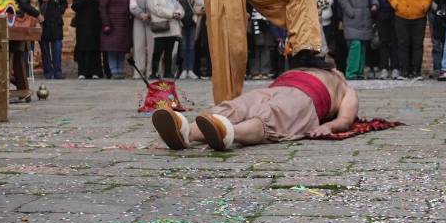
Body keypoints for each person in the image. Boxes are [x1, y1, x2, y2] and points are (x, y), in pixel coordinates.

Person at [152, 67, 358, 150]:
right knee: (235, 107)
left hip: (307, 98)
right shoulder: (310, 68)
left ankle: (229, 133)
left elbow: (346, 119)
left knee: (272, 116)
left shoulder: (344, 87)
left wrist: (330, 126)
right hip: (274, 88)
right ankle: (186, 132)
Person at [387, 0, 434, 81]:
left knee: (417, 44)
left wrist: (424, 6)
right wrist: (397, 5)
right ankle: (404, 71)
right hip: (401, 15)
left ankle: (416, 71)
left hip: (419, 15)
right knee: (403, 43)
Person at [338, 0, 374, 80]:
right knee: (355, 44)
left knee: (363, 45)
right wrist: (351, 12)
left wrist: (373, 6)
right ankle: (351, 72)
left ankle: (359, 72)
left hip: (365, 18)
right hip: (352, 20)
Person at [9, 0, 42, 90]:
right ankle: (19, 81)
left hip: (25, 23)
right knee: (19, 53)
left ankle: (22, 84)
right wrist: (37, 14)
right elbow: (24, 5)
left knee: (22, 53)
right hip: (21, 22)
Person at [148, 0, 183, 79]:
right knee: (158, 51)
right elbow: (156, 9)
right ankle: (154, 72)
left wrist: (180, 13)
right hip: (161, 26)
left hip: (172, 27)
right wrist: (172, 14)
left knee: (169, 51)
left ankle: (168, 72)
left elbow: (178, 6)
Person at [99, 0, 132, 79]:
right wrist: (106, 23)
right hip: (112, 24)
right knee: (112, 49)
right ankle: (114, 70)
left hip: (123, 24)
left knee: (121, 49)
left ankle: (121, 70)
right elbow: (102, 7)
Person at [36, 0, 67, 80]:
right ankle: (48, 72)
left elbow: (64, 3)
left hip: (56, 22)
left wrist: (60, 10)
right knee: (44, 49)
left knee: (57, 48)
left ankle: (58, 72)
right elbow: (34, 2)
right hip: (43, 21)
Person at [71, 0, 104, 79]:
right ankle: (82, 72)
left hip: (94, 27)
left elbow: (101, 7)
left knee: (94, 50)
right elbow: (74, 7)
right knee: (82, 49)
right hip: (82, 28)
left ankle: (95, 72)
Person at [174, 0, 202, 80]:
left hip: (194, 20)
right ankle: (183, 70)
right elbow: (174, 3)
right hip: (181, 21)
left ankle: (191, 70)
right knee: (183, 46)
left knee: (192, 46)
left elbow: (200, 3)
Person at [128, 0, 155, 77]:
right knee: (138, 46)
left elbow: (157, 2)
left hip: (152, 19)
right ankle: (139, 72)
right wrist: (140, 14)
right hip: (139, 19)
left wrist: (149, 14)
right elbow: (132, 5)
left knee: (152, 46)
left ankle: (151, 71)